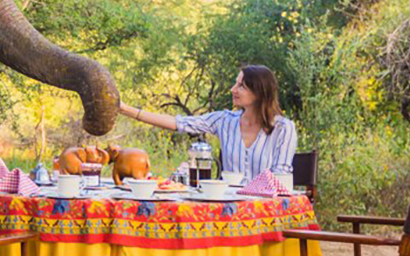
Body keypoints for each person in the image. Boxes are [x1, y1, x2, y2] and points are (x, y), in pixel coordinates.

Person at [118, 65, 298, 180]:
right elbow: (178, 123)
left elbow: (280, 177)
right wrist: (127, 110)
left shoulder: (283, 128)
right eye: (235, 84)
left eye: (241, 86)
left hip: (266, 211)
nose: (232, 89)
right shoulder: (224, 120)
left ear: (259, 92)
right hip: (227, 207)